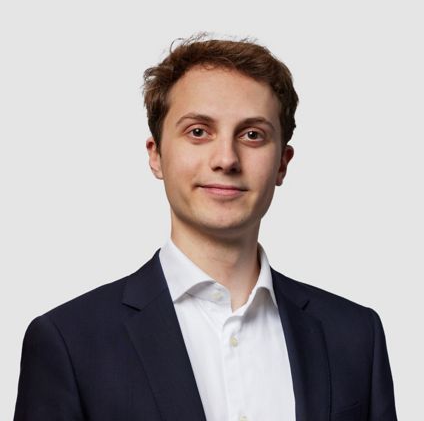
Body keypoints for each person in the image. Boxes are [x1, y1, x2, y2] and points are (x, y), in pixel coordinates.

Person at [13, 33, 398, 421]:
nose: (226, 159)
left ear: (282, 163)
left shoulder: (355, 336)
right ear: (156, 156)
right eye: (198, 131)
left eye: (252, 135)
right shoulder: (69, 341)